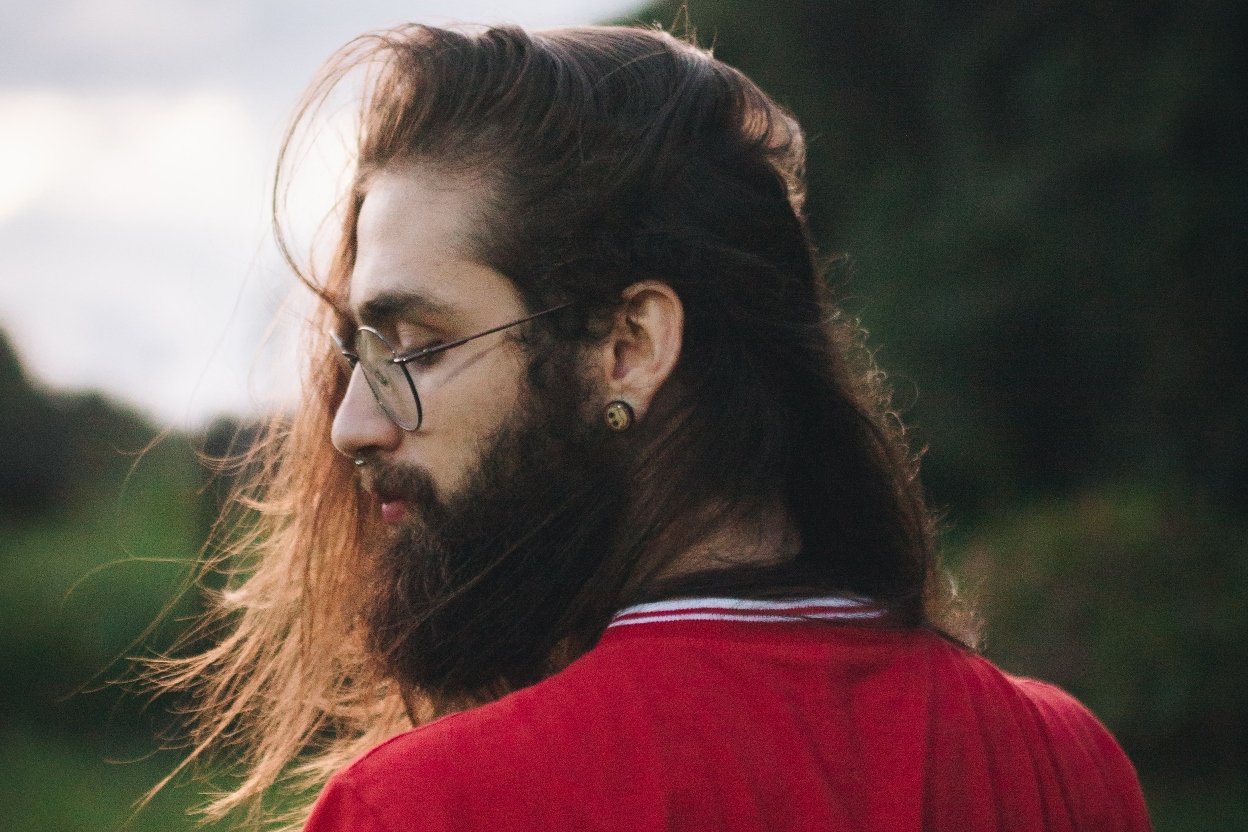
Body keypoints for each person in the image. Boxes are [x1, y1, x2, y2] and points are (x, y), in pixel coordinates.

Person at [157, 23, 1151, 832]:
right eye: (358, 355)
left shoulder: (427, 809)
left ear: (629, 347)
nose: (350, 424)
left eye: (418, 347)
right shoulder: (1062, 766)